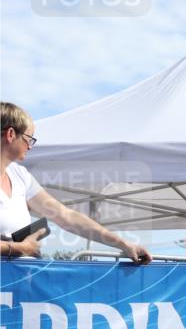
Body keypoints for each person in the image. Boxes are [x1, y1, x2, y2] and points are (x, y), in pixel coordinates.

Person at [1, 102, 152, 263]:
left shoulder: (20, 175)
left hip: (17, 276)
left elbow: (66, 216)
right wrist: (19, 248)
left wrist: (124, 244)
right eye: (29, 139)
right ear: (11, 134)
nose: (30, 147)